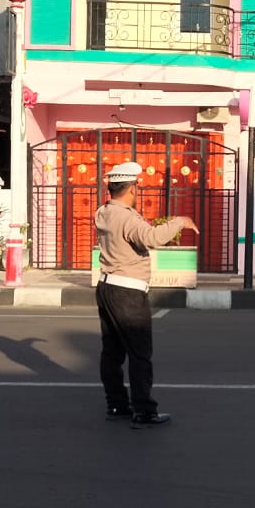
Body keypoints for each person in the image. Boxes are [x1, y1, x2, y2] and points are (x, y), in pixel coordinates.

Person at [94, 161, 197, 429]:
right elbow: (149, 237)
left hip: (106, 287)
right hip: (127, 291)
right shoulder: (125, 216)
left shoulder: (103, 211)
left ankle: (116, 404)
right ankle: (144, 410)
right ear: (131, 188)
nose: (138, 192)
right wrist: (180, 221)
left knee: (112, 352)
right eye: (137, 187)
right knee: (140, 354)